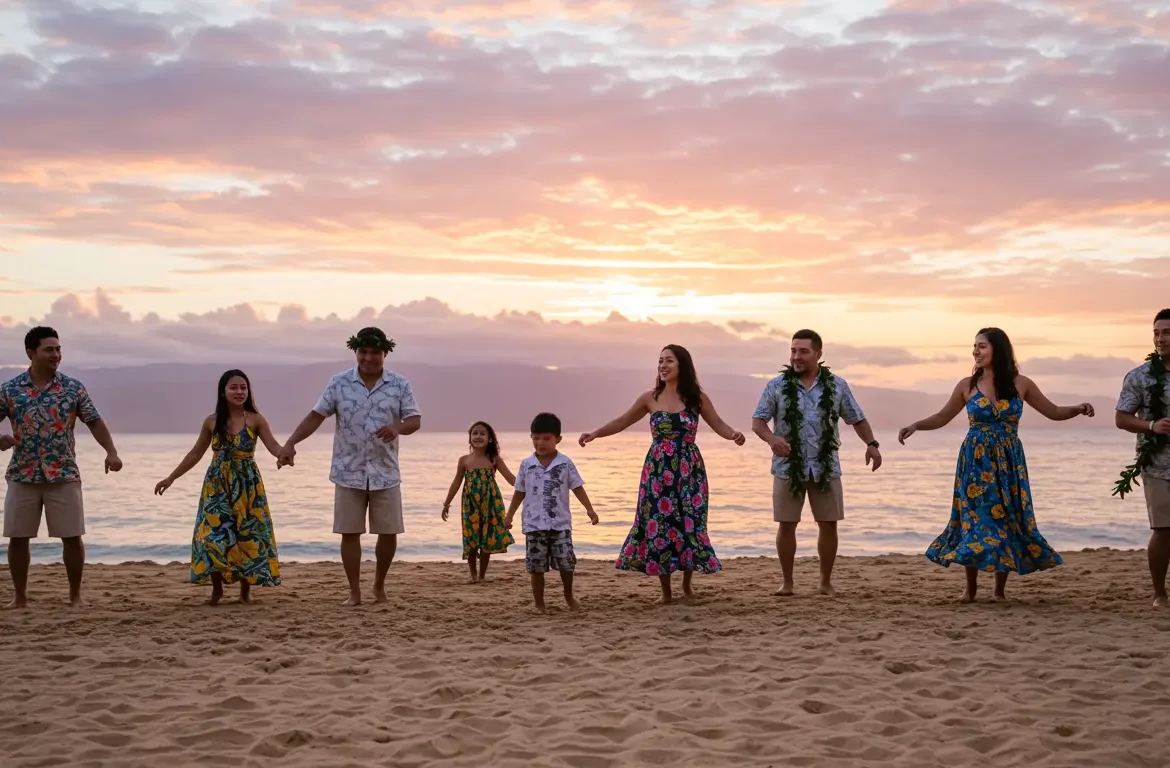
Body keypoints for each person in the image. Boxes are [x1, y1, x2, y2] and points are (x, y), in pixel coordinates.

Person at [898, 327, 1094, 603]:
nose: (975, 352)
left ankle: (999, 591)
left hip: (1008, 463)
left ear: (998, 349)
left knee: (1006, 521)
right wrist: (915, 425)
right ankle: (970, 589)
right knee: (973, 522)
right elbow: (942, 417)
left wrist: (1077, 408)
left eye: (982, 346)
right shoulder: (967, 385)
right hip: (975, 463)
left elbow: (1052, 411)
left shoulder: (1021, 383)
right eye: (974, 346)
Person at [579, 344, 745, 605]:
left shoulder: (697, 398)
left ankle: (687, 584)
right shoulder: (650, 398)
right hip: (658, 471)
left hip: (689, 470)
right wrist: (595, 434)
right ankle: (666, 591)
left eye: (669, 361)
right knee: (660, 524)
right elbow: (622, 421)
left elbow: (719, 424)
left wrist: (733, 434)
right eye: (660, 361)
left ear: (682, 365)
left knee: (690, 523)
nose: (663, 366)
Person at [277, 327, 421, 606]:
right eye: (362, 352)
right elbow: (316, 415)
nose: (368, 358)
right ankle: (354, 592)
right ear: (355, 352)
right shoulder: (339, 383)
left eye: (374, 352)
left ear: (385, 353)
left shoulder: (399, 384)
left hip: (385, 471)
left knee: (388, 532)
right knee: (350, 532)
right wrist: (291, 443)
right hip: (347, 470)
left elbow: (414, 420)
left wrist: (397, 428)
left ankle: (379, 587)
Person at [751, 329, 881, 597]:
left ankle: (825, 582)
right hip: (787, 467)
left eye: (803, 351)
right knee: (786, 523)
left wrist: (872, 444)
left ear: (818, 353)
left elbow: (856, 418)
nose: (796, 356)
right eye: (793, 351)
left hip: (826, 466)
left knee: (829, 523)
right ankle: (787, 583)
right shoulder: (776, 385)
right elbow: (758, 421)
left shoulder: (837, 385)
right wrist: (772, 439)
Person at [0, 326, 122, 609]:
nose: (56, 355)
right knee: (17, 537)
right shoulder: (10, 389)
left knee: (72, 536)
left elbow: (94, 420)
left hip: (63, 473)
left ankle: (75, 596)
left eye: (58, 349)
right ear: (31, 353)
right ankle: (19, 598)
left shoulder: (72, 388)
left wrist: (111, 452)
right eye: (49, 350)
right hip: (22, 473)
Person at [154, 370, 283, 605]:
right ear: (223, 391)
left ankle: (245, 591)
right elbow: (195, 453)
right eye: (233, 387)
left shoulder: (256, 419)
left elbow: (273, 445)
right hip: (216, 486)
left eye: (243, 387)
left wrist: (284, 454)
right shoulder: (211, 421)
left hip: (247, 486)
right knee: (211, 536)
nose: (239, 392)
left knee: (247, 535)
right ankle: (217, 590)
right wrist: (171, 478)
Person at [504, 412, 599, 612]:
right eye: (536, 438)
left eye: (546, 438)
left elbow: (577, 487)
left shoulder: (565, 463)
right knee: (536, 566)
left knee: (566, 563)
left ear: (558, 439)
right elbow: (519, 492)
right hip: (534, 524)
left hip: (560, 524)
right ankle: (539, 603)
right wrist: (509, 515)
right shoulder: (526, 465)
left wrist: (589, 509)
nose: (540, 443)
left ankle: (569, 597)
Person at [1113, 308, 1170, 608]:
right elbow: (1121, 418)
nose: (1161, 339)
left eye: (1167, 333)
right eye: (1157, 333)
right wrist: (1150, 426)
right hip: (1158, 465)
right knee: (1163, 530)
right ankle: (1160, 593)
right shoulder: (1140, 376)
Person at [441, 420, 516, 583]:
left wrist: (528, 487)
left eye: (482, 433)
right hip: (470, 505)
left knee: (487, 539)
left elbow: (511, 478)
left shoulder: (494, 459)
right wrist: (446, 504)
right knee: (471, 538)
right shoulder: (464, 460)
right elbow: (456, 482)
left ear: (489, 439)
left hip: (491, 504)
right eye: (474, 433)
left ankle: (482, 576)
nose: (478, 436)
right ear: (470, 438)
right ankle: (473, 575)